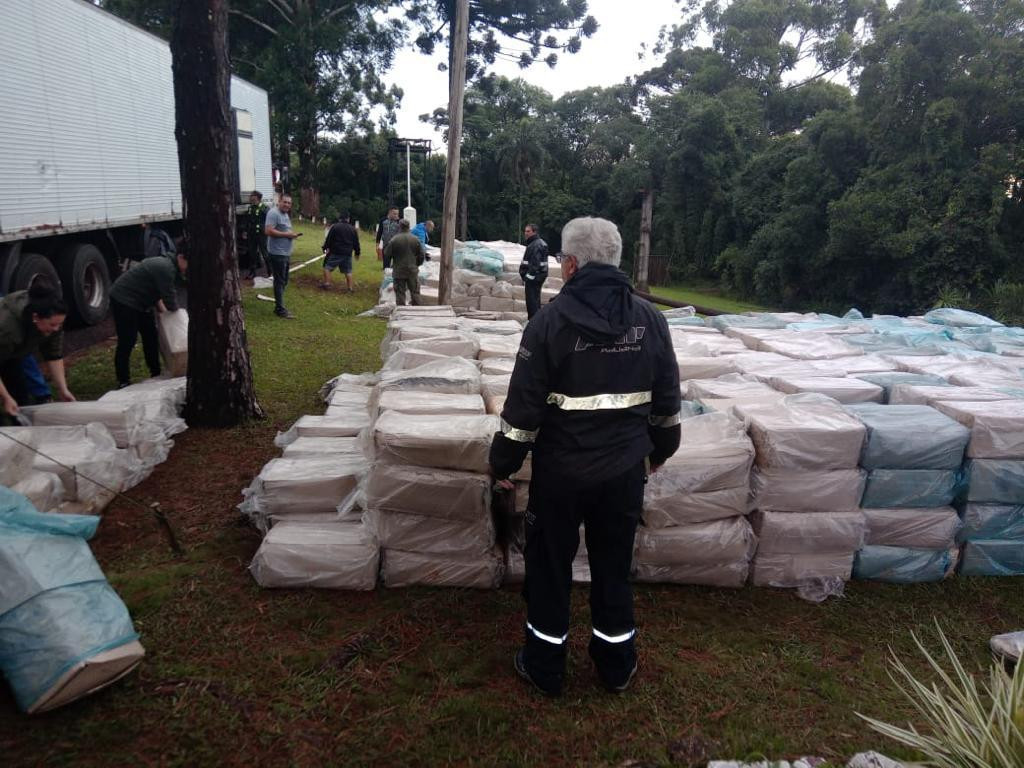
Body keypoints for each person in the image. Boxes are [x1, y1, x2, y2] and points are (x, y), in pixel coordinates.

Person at [489, 216, 681, 697]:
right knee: (613, 567)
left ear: (570, 265)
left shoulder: (548, 324)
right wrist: (659, 454)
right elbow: (667, 409)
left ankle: (545, 665)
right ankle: (616, 666)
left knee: (550, 568)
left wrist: (502, 464)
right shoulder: (651, 321)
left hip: (560, 475)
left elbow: (521, 414)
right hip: (623, 477)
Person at [0, 278, 75, 423]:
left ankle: (22, 431)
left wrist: (62, 389)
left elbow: (54, 355)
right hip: (4, 342)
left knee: (20, 396)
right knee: (8, 399)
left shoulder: (53, 319)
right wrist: (6, 397)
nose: (56, 329)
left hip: (12, 354)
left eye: (59, 324)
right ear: (36, 317)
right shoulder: (6, 328)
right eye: (52, 325)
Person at [109, 252, 188, 388]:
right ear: (180, 257)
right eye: (188, 263)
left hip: (142, 302)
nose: (188, 268)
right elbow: (170, 301)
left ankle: (156, 372)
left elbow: (157, 294)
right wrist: (177, 317)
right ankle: (123, 380)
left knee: (151, 336)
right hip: (124, 299)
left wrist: (165, 316)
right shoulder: (166, 268)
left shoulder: (170, 267)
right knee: (128, 339)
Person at [265, 194, 302, 319]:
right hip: (277, 253)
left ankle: (279, 304)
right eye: (284, 202)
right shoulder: (273, 213)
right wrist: (287, 235)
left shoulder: (285, 214)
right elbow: (268, 231)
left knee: (283, 281)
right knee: (280, 281)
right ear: (279, 202)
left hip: (285, 253)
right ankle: (280, 309)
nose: (287, 205)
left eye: (289, 203)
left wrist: (292, 234)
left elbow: (285, 230)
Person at [384, 219, 425, 306]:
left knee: (400, 293)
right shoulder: (415, 239)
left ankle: (401, 314)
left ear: (400, 227)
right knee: (415, 292)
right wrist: (417, 264)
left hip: (399, 270)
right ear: (409, 227)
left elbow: (387, 254)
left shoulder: (394, 239)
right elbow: (422, 255)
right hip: (412, 270)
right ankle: (418, 312)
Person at [321, 212, 361, 292]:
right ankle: (350, 288)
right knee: (348, 271)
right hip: (347, 253)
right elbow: (356, 242)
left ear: (340, 219)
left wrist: (325, 248)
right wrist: (357, 253)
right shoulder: (353, 229)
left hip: (336, 252)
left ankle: (327, 284)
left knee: (327, 267)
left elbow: (329, 239)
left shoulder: (335, 227)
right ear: (348, 219)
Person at [519, 224, 549, 319]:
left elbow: (535, 264)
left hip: (534, 277)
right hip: (538, 276)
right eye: (525, 231)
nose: (526, 233)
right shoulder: (538, 243)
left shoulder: (535, 245)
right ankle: (536, 321)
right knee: (535, 300)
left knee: (532, 302)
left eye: (528, 231)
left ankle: (533, 322)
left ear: (534, 232)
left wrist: (527, 277)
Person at [244, 191, 268, 279]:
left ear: (257, 198)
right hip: (252, 234)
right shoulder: (250, 208)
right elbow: (247, 221)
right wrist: (245, 231)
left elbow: (269, 221)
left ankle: (270, 272)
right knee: (252, 254)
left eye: (252, 196)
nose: (250, 198)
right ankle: (252, 273)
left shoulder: (264, 208)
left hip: (261, 235)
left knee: (265, 253)